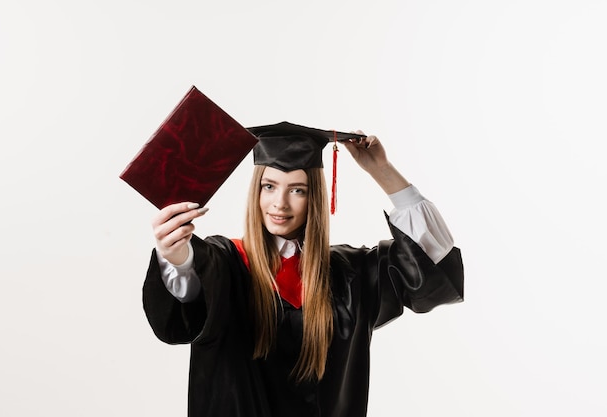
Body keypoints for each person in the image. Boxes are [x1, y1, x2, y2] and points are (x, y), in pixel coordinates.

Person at [142, 122, 464, 417]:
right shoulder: (227, 264)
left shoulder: (348, 275)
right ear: (256, 191)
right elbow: (190, 297)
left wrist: (383, 171)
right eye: (269, 186)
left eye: (297, 189)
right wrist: (176, 254)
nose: (279, 203)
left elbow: (430, 268)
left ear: (315, 198)